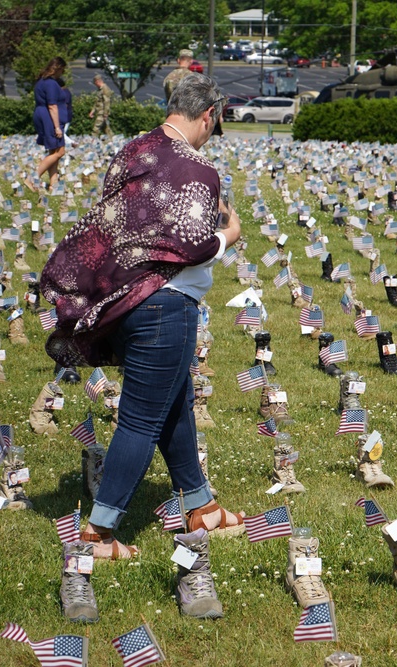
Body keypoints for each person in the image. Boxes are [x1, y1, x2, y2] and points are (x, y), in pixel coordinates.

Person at [40, 73, 240, 559]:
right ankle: (100, 532)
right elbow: (193, 247)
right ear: (208, 115)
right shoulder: (199, 170)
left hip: (123, 300)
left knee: (175, 402)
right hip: (165, 305)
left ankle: (200, 506)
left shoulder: (132, 151)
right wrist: (228, 235)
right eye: (216, 124)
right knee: (140, 420)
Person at [31, 57, 67, 191]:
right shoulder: (51, 84)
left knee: (54, 150)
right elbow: (52, 105)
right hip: (49, 118)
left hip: (42, 114)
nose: (62, 73)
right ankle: (33, 177)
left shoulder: (41, 81)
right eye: (62, 70)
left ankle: (54, 184)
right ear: (58, 69)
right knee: (60, 151)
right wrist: (57, 127)